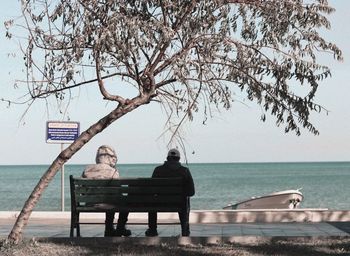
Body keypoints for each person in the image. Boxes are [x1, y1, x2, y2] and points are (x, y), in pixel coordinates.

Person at [82, 145, 130, 237]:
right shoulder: (113, 172)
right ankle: (119, 228)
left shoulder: (86, 170)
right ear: (109, 158)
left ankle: (110, 229)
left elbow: (83, 192)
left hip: (90, 203)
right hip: (108, 203)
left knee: (110, 199)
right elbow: (116, 192)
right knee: (119, 201)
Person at [145, 148, 195, 237]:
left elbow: (151, 189)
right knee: (185, 200)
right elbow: (191, 192)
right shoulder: (185, 171)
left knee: (152, 201)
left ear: (167, 158)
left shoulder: (158, 170)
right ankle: (185, 230)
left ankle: (152, 230)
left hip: (160, 203)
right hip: (179, 204)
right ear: (179, 159)